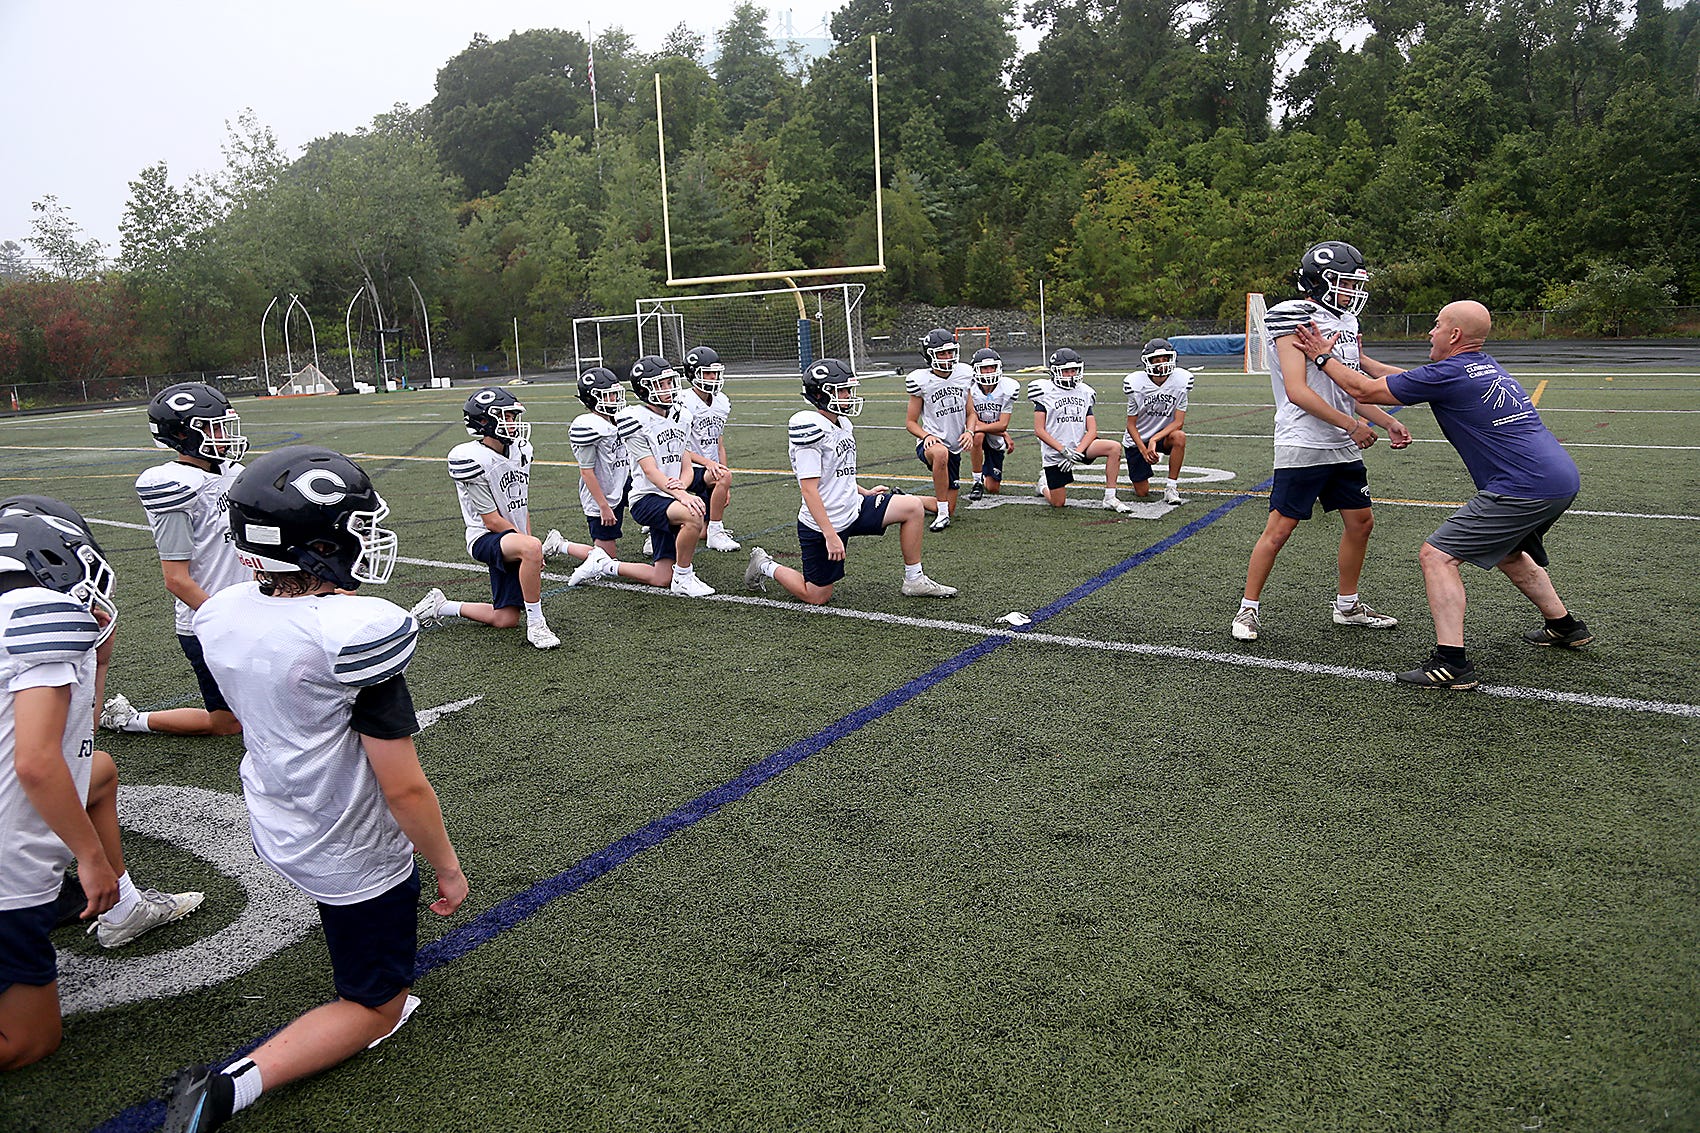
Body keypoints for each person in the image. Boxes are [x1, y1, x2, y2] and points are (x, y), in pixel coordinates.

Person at [162, 445, 467, 1131]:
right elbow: (405, 789)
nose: (371, 537)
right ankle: (226, 1089)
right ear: (320, 545)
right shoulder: (353, 632)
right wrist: (446, 865)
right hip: (345, 836)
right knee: (377, 1004)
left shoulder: (221, 610)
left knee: (342, 907)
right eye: (358, 527)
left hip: (277, 809)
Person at [1294, 300, 1591, 689]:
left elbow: (1362, 390)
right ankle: (1565, 627)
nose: (1430, 332)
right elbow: (1405, 379)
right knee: (1508, 552)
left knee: (1437, 556)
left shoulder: (1450, 373)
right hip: (1559, 480)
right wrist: (1361, 360)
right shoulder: (1479, 365)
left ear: (1454, 335)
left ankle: (1452, 663)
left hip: (1523, 486)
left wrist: (1322, 357)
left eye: (1436, 326)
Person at [0, 511, 200, 1071]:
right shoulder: (42, 614)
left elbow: (79, 748)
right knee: (29, 1041)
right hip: (7, 861)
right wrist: (91, 859)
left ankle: (126, 911)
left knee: (102, 772)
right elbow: (39, 763)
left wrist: (99, 659)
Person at [1231, 241, 1412, 642]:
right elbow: (1298, 391)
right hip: (1304, 440)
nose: (1353, 291)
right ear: (1320, 280)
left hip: (1340, 441)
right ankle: (1248, 608)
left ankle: (1347, 605)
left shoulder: (1346, 322)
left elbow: (1348, 387)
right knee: (1280, 529)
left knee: (1361, 523)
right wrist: (1352, 426)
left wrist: (1385, 422)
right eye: (1345, 283)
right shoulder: (1293, 315)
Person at [101, 383, 249, 737]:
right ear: (182, 434)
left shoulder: (233, 472)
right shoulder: (175, 484)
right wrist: (226, 619)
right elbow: (176, 579)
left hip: (249, 610)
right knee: (227, 724)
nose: (224, 436)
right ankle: (129, 720)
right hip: (209, 621)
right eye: (213, 428)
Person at [745, 359, 957, 605]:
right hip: (824, 523)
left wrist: (864, 492)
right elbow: (809, 489)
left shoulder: (842, 423)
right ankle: (764, 565)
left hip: (852, 507)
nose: (849, 395)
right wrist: (830, 535)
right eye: (843, 390)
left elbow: (837, 473)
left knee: (912, 506)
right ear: (821, 394)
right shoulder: (810, 430)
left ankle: (914, 579)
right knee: (817, 595)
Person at [409, 388, 559, 650]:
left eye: (513, 417)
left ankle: (441, 606)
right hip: (485, 537)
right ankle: (537, 625)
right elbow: (491, 521)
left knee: (505, 619)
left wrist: (527, 542)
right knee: (531, 547)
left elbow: (521, 506)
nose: (513, 423)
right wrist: (529, 546)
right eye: (506, 417)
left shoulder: (520, 450)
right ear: (484, 421)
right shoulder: (470, 457)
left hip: (512, 537)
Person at [613, 356, 720, 598]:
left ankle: (602, 564)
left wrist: (683, 484)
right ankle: (683, 576)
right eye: (660, 384)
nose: (669, 389)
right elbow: (650, 471)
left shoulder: (681, 416)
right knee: (693, 514)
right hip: (647, 498)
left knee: (661, 577)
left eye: (670, 382)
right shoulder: (635, 419)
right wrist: (682, 495)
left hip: (669, 496)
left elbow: (686, 464)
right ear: (644, 389)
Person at [1027, 348, 1133, 513]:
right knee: (1058, 503)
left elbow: (1092, 430)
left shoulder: (1085, 391)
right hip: (1056, 450)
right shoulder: (1044, 391)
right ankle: (1043, 485)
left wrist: (1077, 451)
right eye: (1066, 371)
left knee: (1114, 448)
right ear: (1055, 371)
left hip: (1081, 445)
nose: (1071, 375)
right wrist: (1063, 450)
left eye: (1073, 370)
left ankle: (1110, 497)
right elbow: (1039, 430)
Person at [905, 329, 974, 531]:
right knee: (941, 452)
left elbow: (971, 413)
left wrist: (969, 431)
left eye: (950, 352)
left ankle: (905, 500)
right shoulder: (921, 380)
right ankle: (942, 516)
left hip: (954, 447)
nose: (947, 357)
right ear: (929, 355)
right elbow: (911, 422)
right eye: (941, 353)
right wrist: (926, 435)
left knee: (950, 506)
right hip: (931, 444)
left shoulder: (964, 374)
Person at [681, 346, 741, 552]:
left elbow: (719, 444)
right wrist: (708, 464)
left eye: (715, 372)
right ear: (692, 374)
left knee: (702, 532)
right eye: (707, 373)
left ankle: (713, 530)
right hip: (686, 468)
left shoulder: (722, 402)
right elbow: (678, 448)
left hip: (709, 470)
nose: (713, 377)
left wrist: (725, 484)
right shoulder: (683, 402)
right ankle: (659, 530)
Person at [1122, 338, 1193, 505]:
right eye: (1157, 360)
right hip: (1138, 439)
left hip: (1163, 436)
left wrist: (1154, 439)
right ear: (1148, 362)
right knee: (1142, 492)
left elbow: (1178, 422)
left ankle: (1171, 487)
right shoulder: (1136, 384)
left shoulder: (1181, 381)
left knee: (1180, 437)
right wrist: (1143, 449)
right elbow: (1131, 424)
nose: (1162, 364)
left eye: (1165, 359)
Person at [966, 348, 1019, 500]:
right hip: (978, 432)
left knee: (993, 488)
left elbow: (1002, 424)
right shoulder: (969, 387)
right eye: (984, 368)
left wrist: (1002, 432)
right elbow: (971, 418)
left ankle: (985, 473)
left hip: (994, 433)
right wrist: (977, 428)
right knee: (978, 436)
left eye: (992, 367)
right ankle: (977, 481)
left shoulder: (1008, 388)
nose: (989, 372)